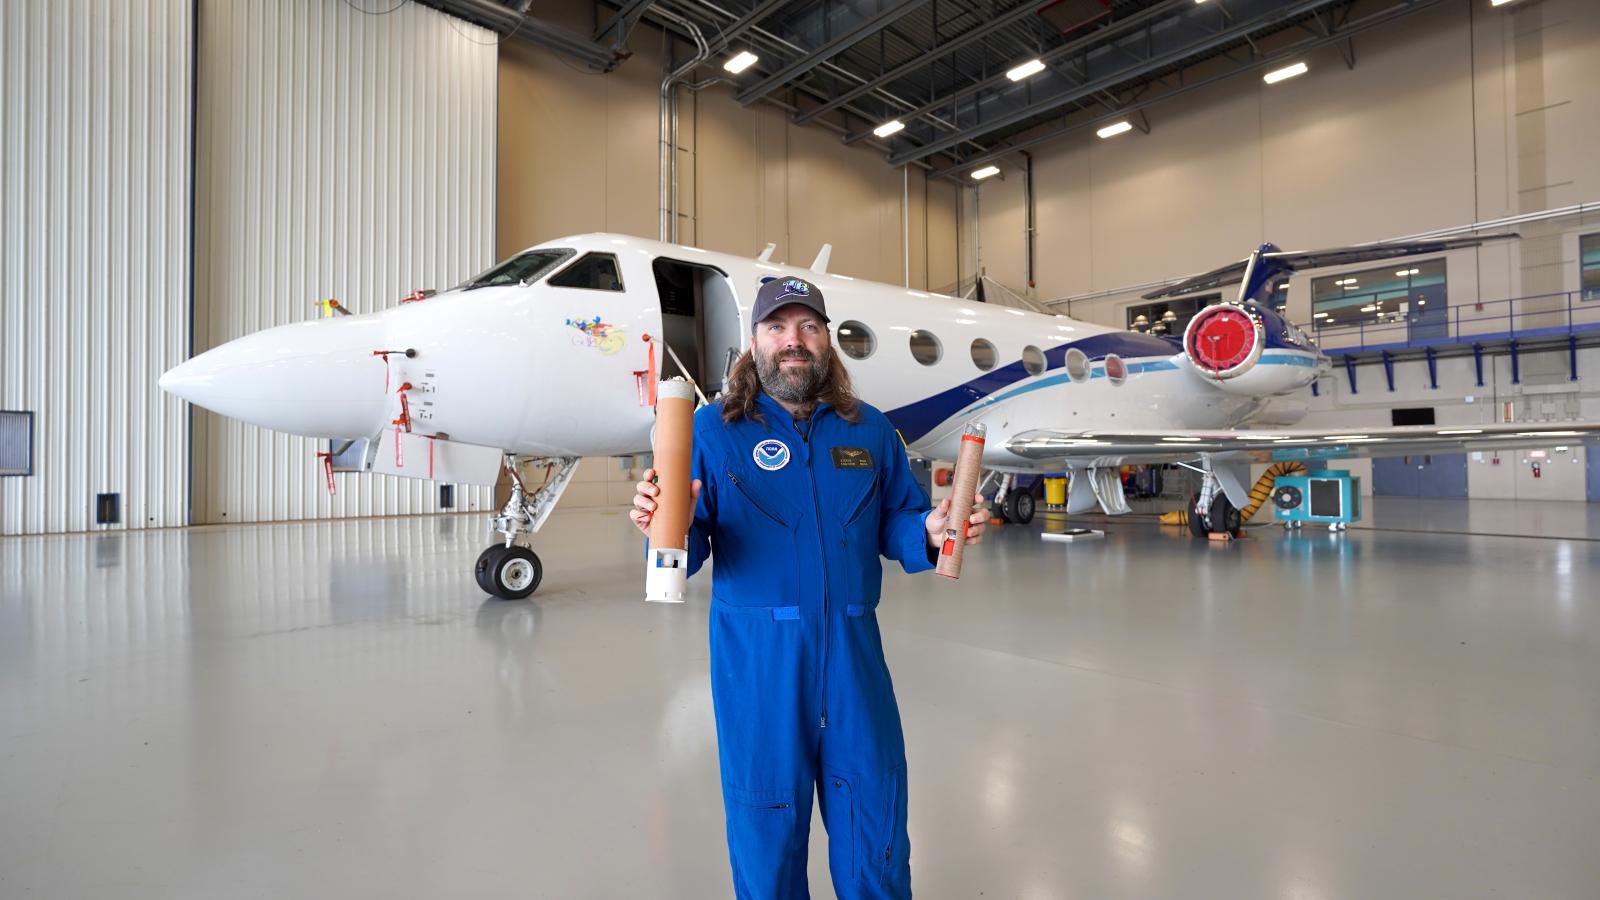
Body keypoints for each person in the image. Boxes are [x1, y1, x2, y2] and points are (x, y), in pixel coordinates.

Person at [630, 275, 988, 899]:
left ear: (827, 342)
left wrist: (931, 530)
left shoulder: (870, 431)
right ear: (754, 343)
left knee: (874, 823)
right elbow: (682, 554)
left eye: (808, 327)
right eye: (777, 328)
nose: (793, 341)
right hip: (759, 669)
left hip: (855, 659)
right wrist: (660, 522)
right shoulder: (711, 432)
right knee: (766, 834)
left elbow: (899, 519)